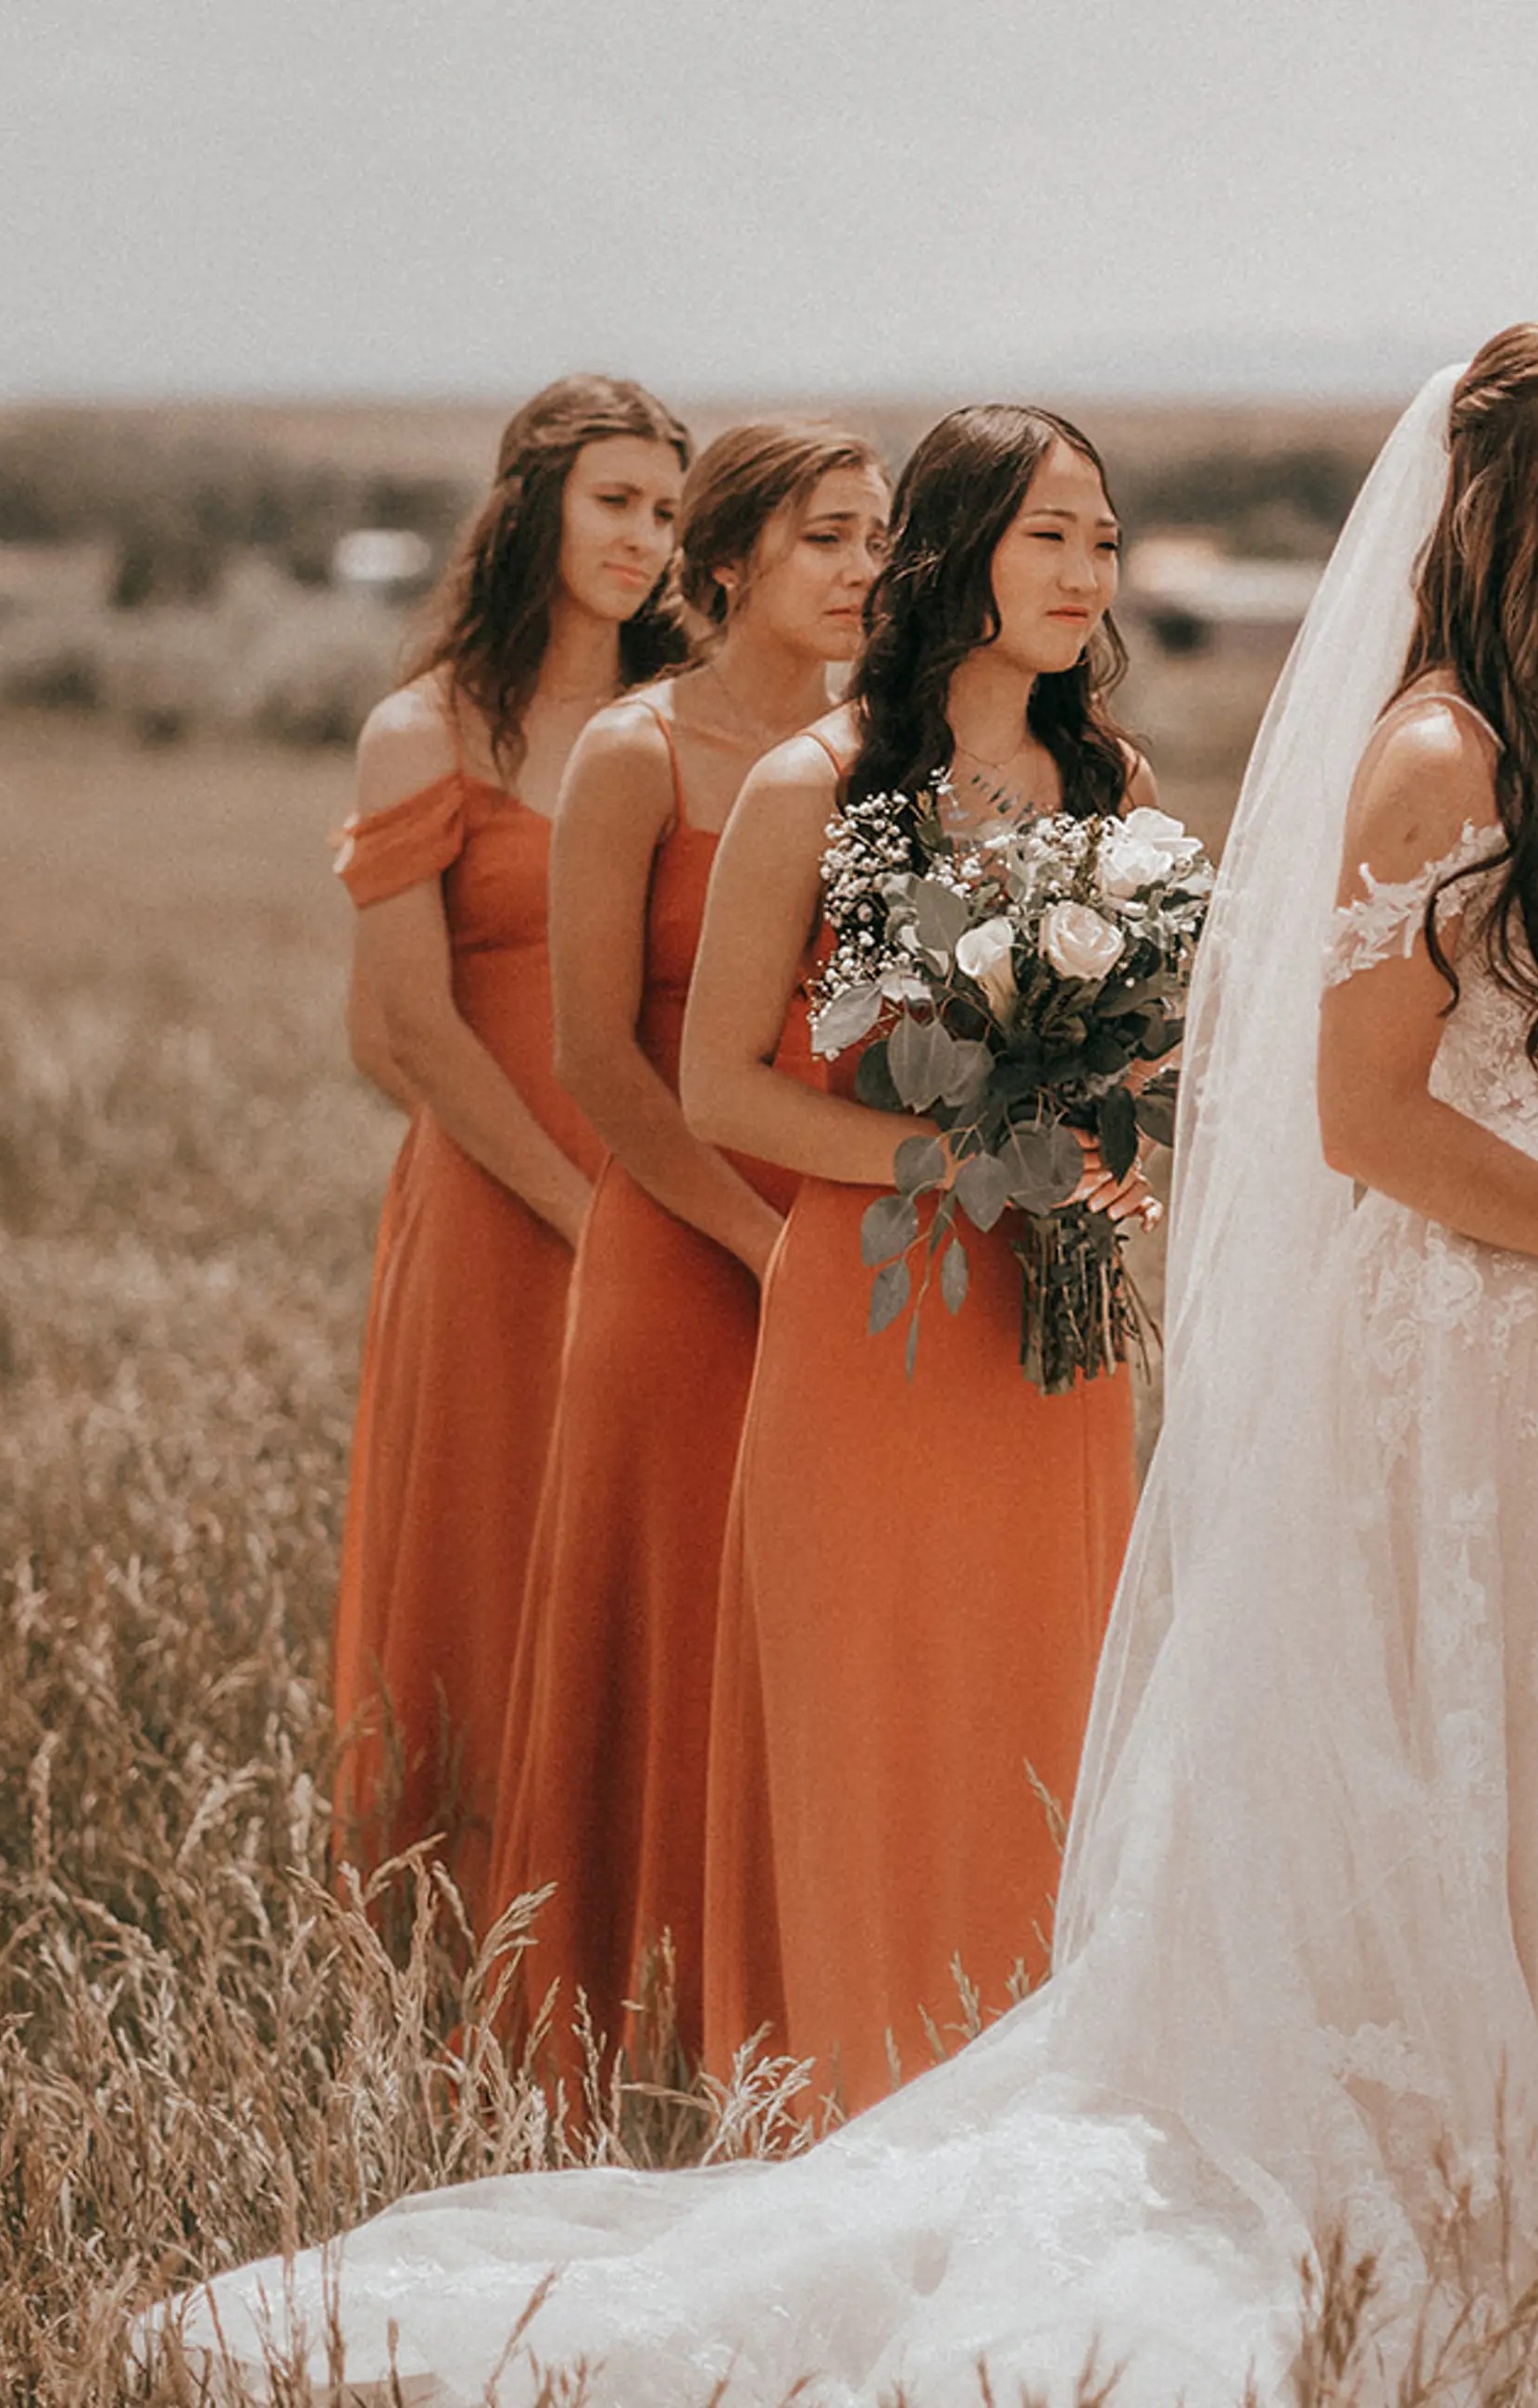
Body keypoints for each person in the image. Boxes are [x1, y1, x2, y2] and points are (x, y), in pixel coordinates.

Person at [143, 328, 1538, 2403]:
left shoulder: (1384, 769)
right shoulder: (1379, 760)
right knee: (1311, 1751)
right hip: (1175, 1318)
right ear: (1521, 492)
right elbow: (1354, 1117)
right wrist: (958, 1150)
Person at [669, 405, 1153, 2104]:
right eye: (1050, 535)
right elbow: (713, 1083)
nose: (1088, 570)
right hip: (869, 1324)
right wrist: (946, 1154)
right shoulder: (810, 793)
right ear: (954, 553)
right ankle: (854, 2105)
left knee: (1042, 1706)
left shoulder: (1116, 794)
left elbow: (1135, 1065)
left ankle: (1035, 2101)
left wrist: (1106, 1131)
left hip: (1047, 1334)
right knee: (875, 1709)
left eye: (1103, 537)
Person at [486, 420, 890, 2082]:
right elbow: (593, 1057)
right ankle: (630, 2041)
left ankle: (807, 2016)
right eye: (827, 539)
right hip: (680, 1246)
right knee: (668, 1622)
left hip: (849, 1227)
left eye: (878, 539)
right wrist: (743, 1239)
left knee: (822, 1624)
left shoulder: (891, 752)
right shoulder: (634, 755)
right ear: (720, 564)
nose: (865, 569)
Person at [329, 373, 686, 1896]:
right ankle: (454, 1929)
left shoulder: (680, 722)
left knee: (643, 1559)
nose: (644, 540)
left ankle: (626, 1924)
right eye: (614, 502)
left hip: (667, 1181)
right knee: (486, 1545)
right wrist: (575, 1209)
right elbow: (402, 1033)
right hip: (494, 1206)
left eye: (669, 513)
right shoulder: (423, 734)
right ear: (529, 503)